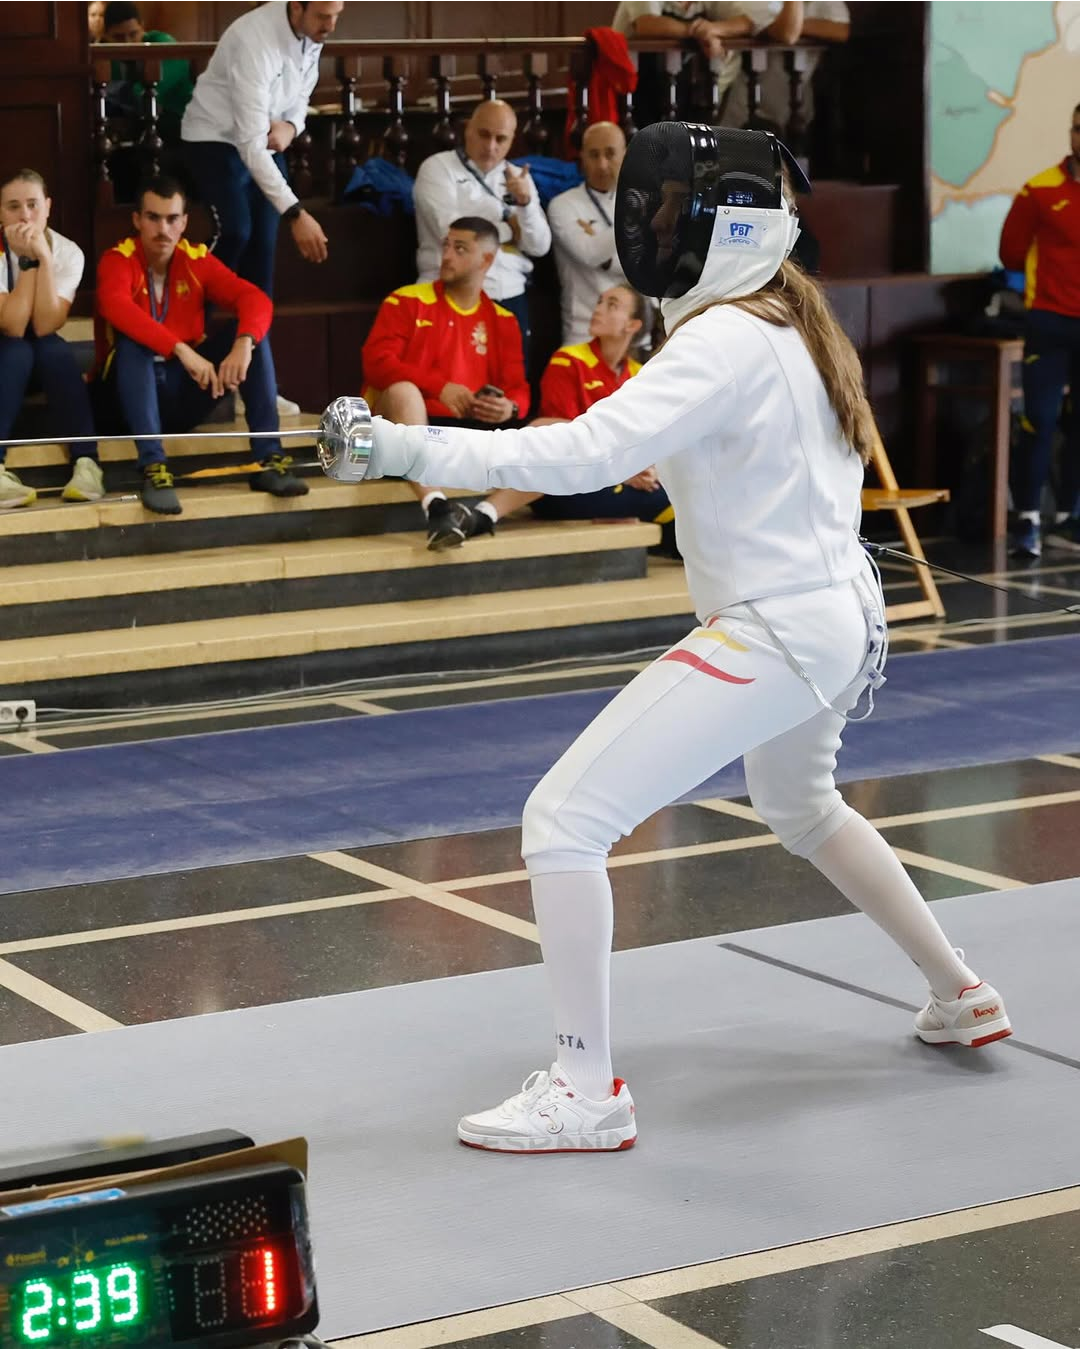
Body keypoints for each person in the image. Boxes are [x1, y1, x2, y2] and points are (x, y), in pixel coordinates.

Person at [326, 124, 1012, 1152]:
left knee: (561, 818)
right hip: (832, 617)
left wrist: (400, 445)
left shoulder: (727, 337)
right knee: (801, 802)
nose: (646, 228)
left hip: (779, 628)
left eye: (662, 212)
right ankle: (959, 989)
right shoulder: (784, 317)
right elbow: (722, 453)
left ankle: (584, 1085)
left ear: (720, 227)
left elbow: (583, 449)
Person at [93, 174, 307, 515]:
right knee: (134, 343)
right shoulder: (117, 259)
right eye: (153, 218)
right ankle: (153, 467)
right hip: (121, 400)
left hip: (181, 393)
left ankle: (269, 457)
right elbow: (116, 307)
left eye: (172, 219)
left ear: (184, 223)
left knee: (250, 334)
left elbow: (255, 299)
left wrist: (244, 344)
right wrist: (180, 349)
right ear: (137, 220)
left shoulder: (195, 259)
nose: (163, 229)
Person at [467, 284, 678, 556]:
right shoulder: (568, 361)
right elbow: (561, 439)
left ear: (632, 325)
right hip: (564, 486)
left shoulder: (638, 374)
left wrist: (647, 469)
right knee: (554, 432)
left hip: (615, 483)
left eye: (611, 305)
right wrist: (625, 471)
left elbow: (647, 438)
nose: (598, 309)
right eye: (600, 301)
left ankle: (681, 550)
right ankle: (483, 513)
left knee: (678, 489)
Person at [361, 216, 530, 549]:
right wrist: (438, 387)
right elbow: (376, 365)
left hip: (461, 435)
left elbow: (519, 388)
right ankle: (436, 505)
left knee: (544, 433)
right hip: (400, 426)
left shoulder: (504, 320)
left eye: (460, 248)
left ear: (486, 260)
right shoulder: (406, 300)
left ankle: (481, 516)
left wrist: (508, 407)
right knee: (405, 392)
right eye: (446, 246)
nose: (447, 256)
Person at [180, 1, 341, 297]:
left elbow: (302, 95)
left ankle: (254, 339)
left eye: (335, 16)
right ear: (296, 8)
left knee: (263, 249)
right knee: (235, 232)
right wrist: (296, 213)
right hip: (213, 140)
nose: (330, 26)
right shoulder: (254, 41)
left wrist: (291, 127)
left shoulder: (314, 32)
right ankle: (188, 318)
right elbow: (250, 144)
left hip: (265, 141)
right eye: (322, 16)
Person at [1000, 104, 1080, 558]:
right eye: (1077, 129)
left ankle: (1070, 520)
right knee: (1039, 421)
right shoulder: (1040, 191)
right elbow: (1011, 254)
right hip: (1049, 321)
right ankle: (1027, 520)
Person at [412, 101, 551, 363]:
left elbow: (540, 245)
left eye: (501, 139)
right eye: (484, 135)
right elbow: (454, 235)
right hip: (449, 295)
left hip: (508, 294)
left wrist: (526, 204)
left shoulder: (518, 177)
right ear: (467, 131)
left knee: (508, 395)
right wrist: (510, 229)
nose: (491, 146)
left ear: (511, 140)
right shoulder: (438, 168)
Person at [0, 169, 103, 509]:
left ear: (48, 206)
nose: (25, 215)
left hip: (38, 345)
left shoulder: (68, 252)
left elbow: (46, 324)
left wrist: (42, 256)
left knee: (55, 353)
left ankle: (86, 463)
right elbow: (13, 326)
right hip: (5, 346)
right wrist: (29, 263)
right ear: (1, 213)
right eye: (13, 206)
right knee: (17, 353)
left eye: (32, 204)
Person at [612, 2, 783, 128]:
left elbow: (749, 22)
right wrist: (698, 33)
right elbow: (647, 23)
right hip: (635, 95)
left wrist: (714, 29)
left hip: (684, 96)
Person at [548, 122, 638, 347]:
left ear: (625, 154)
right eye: (593, 155)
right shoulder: (563, 205)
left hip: (634, 334)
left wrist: (609, 257)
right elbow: (591, 254)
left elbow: (654, 262)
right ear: (581, 158)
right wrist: (633, 215)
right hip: (585, 330)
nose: (602, 164)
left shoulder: (641, 200)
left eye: (610, 154)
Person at [721, 3, 850, 140]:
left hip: (794, 103)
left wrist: (797, 25)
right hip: (747, 101)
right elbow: (787, 34)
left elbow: (841, 30)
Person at [101, 1, 195, 142]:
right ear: (106, 36)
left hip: (181, 124)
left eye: (133, 34)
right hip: (142, 127)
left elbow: (148, 93)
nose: (128, 43)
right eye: (118, 37)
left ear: (142, 26)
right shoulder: (108, 57)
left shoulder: (162, 44)